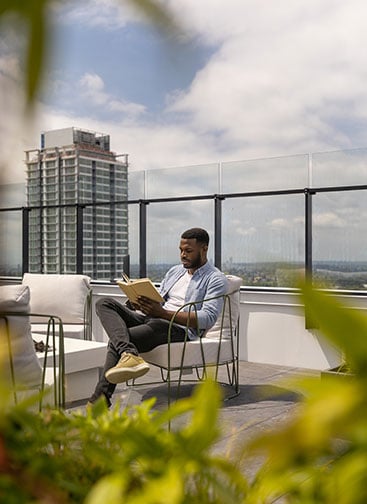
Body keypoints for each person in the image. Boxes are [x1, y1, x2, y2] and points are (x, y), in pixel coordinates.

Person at [89, 227, 228, 407]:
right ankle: (128, 353)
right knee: (104, 303)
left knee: (120, 339)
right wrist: (138, 302)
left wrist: (162, 313)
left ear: (204, 249)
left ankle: (99, 400)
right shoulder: (175, 272)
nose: (183, 255)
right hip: (153, 318)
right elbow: (160, 300)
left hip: (178, 328)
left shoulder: (215, 278)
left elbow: (207, 317)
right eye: (181, 250)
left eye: (188, 251)